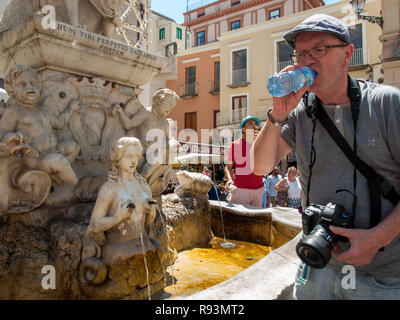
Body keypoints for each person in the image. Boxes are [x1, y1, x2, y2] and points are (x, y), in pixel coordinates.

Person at [253, 14, 400, 299]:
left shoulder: (386, 105)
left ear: (347, 54)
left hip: (383, 276)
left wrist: (379, 237)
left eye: (318, 50)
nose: (307, 60)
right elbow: (260, 167)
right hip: (317, 265)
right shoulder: (299, 114)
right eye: (301, 53)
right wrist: (278, 115)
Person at [0, 66, 79, 186]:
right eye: (23, 84)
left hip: (54, 149)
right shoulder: (14, 112)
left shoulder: (44, 109)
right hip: (36, 158)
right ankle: (76, 187)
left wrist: (71, 110)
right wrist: (12, 137)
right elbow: (2, 133)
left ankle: (56, 172)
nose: (30, 87)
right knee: (59, 161)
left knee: (75, 148)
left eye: (33, 83)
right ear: (12, 91)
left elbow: (59, 123)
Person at [225, 115, 264, 207]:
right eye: (250, 123)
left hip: (258, 190)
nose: (254, 126)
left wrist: (260, 142)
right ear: (244, 129)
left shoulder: (261, 144)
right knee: (238, 220)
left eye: (255, 124)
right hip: (240, 190)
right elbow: (228, 167)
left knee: (257, 220)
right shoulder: (235, 145)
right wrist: (230, 179)